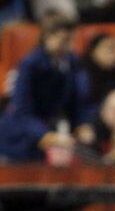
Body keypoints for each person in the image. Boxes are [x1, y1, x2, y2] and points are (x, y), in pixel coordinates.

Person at [0, 13, 90, 163]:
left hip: (49, 133)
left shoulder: (71, 61)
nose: (69, 46)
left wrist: (80, 125)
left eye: (71, 40)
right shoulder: (31, 64)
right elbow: (21, 110)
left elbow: (75, 101)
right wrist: (44, 134)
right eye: (64, 41)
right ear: (48, 37)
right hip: (21, 138)